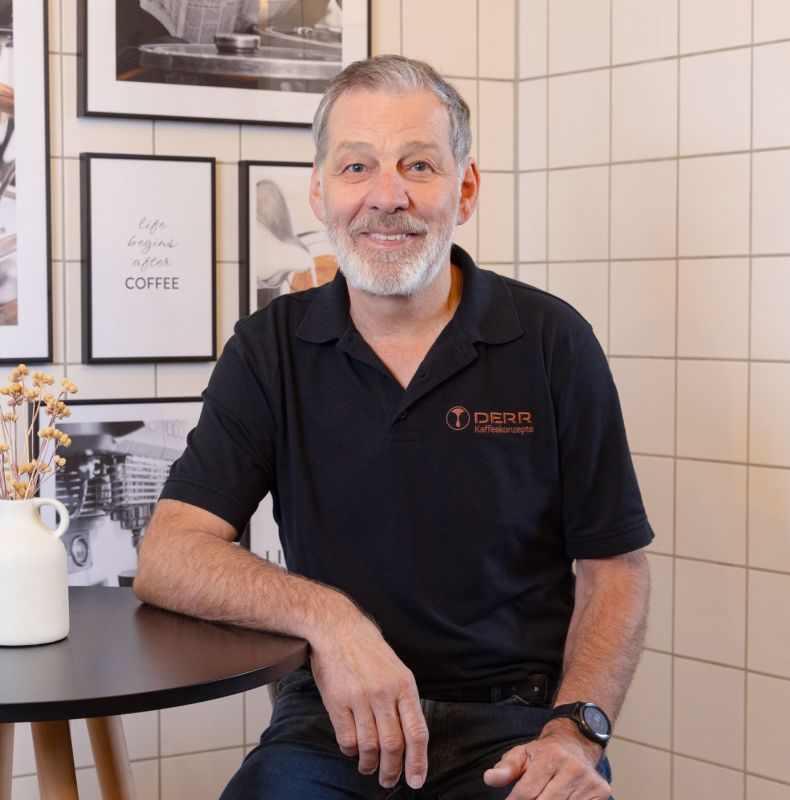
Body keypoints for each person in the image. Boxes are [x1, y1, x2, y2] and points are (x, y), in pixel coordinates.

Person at [134, 54, 652, 800]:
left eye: (418, 165)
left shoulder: (551, 341)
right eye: (357, 167)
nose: (387, 196)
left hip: (515, 727)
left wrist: (576, 732)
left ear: (464, 190)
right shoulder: (269, 348)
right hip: (331, 725)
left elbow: (616, 569)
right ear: (320, 191)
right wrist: (331, 619)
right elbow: (167, 555)